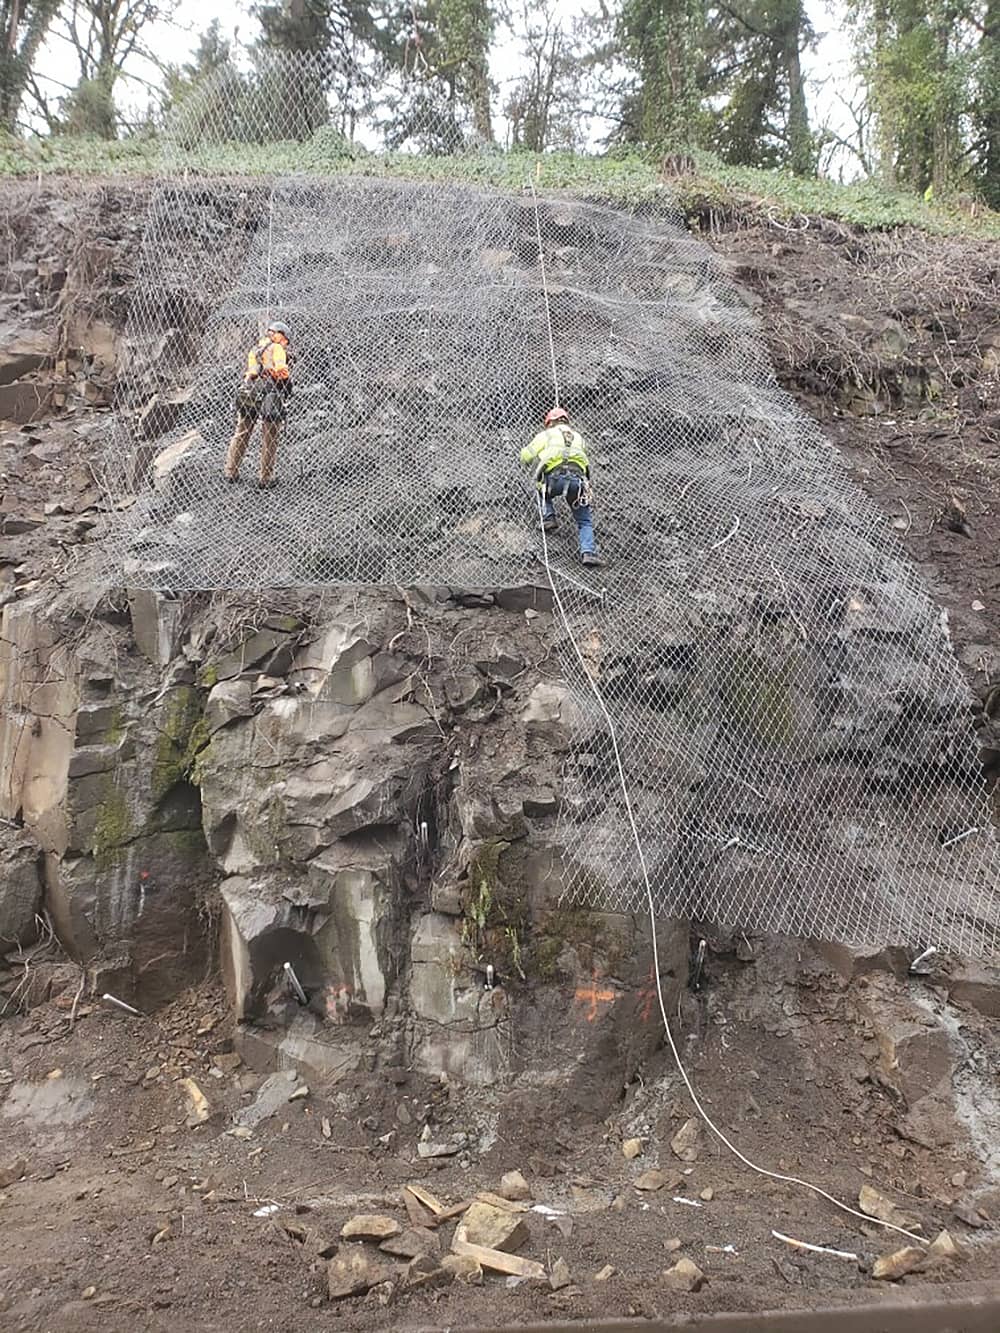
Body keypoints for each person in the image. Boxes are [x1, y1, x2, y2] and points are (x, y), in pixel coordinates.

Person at [520, 406, 603, 567]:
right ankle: (589, 552)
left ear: (550, 422)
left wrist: (524, 458)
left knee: (540, 489)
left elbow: (526, 455)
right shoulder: (579, 437)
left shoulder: (546, 435)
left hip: (554, 479)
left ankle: (548, 517)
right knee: (584, 520)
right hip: (578, 482)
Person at [224, 321, 293, 489]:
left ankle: (231, 471)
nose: (286, 344)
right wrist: (287, 380)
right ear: (281, 335)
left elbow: (252, 371)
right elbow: (281, 370)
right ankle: (266, 477)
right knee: (270, 435)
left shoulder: (256, 349)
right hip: (270, 393)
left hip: (251, 392)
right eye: (286, 340)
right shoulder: (277, 348)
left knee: (242, 431)